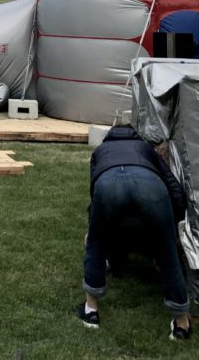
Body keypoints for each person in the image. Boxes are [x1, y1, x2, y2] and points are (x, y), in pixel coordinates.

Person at [81, 124, 191, 338]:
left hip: (108, 184)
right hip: (150, 184)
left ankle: (91, 311)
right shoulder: (146, 148)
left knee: (96, 244)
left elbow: (95, 192)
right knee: (168, 253)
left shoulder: (100, 151)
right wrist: (174, 226)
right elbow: (173, 186)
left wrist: (92, 227)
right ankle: (181, 324)